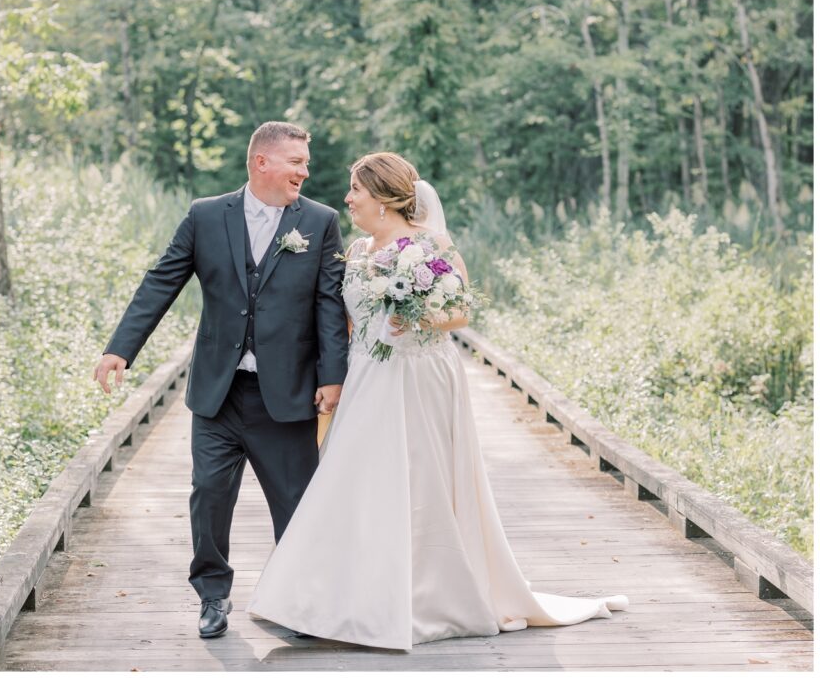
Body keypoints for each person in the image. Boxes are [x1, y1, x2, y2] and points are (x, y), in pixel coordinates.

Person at [245, 152, 628, 651]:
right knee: (354, 479)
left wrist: (418, 316)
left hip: (421, 374)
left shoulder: (431, 246)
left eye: (355, 190)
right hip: (366, 375)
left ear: (382, 198)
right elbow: (344, 320)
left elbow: (461, 312)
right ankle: (332, 597)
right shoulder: (358, 251)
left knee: (419, 480)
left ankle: (425, 597)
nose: (348, 199)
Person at [93, 122, 348, 639]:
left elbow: (328, 304)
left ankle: (296, 600)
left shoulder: (320, 222)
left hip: (288, 393)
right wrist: (121, 348)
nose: (305, 170)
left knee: (296, 503)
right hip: (219, 391)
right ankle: (212, 593)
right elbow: (162, 279)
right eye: (296, 161)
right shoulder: (206, 216)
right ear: (261, 162)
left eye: (306, 162)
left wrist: (333, 376)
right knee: (208, 493)